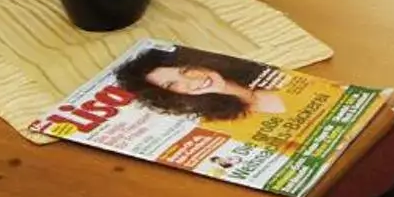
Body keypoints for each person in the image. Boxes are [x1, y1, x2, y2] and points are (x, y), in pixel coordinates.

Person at [113, 44, 287, 119]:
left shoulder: (270, 76)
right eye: (170, 84)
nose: (189, 79)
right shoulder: (227, 121)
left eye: (184, 70)